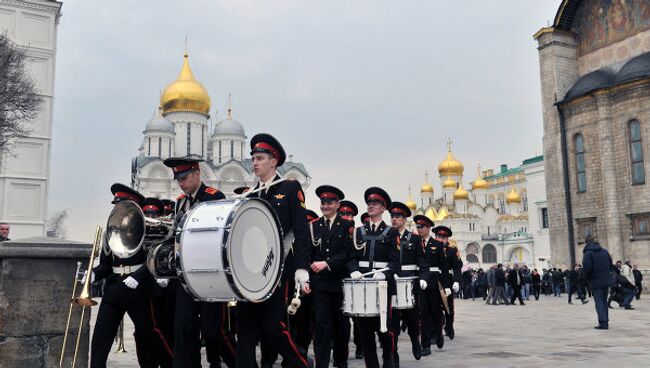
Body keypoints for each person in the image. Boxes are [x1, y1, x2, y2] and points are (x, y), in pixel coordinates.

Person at [237, 133, 312, 368]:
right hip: (249, 272)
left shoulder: (289, 188)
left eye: (260, 158)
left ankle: (301, 364)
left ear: (274, 161)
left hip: (277, 270)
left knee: (273, 328)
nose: (255, 163)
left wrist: (301, 267)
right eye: (253, 159)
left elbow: (301, 230)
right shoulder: (251, 194)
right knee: (246, 330)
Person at [163, 157, 234, 368]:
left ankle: (238, 362)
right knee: (183, 327)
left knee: (213, 331)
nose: (181, 183)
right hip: (186, 273)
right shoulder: (181, 202)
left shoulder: (214, 197)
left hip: (209, 273)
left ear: (196, 175)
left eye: (184, 178)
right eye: (178, 180)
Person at [89, 184, 161, 368]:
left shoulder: (148, 230)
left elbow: (152, 259)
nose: (116, 209)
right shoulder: (110, 233)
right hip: (115, 288)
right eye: (116, 206)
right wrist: (93, 274)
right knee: (100, 335)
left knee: (146, 334)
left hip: (139, 289)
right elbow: (106, 265)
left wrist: (138, 276)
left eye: (122, 205)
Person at [348, 187, 399, 368]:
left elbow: (395, 264)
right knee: (365, 331)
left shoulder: (392, 233)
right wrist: (353, 269)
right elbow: (351, 257)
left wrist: (383, 274)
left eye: (375, 204)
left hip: (383, 287)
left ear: (383, 208)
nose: (370, 206)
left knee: (385, 329)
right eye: (369, 203)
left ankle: (388, 357)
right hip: (362, 287)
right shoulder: (358, 232)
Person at [307, 185, 353, 368]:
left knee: (341, 327)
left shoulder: (347, 225)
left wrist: (327, 263)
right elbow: (308, 254)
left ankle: (341, 362)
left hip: (339, 285)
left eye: (329, 203)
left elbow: (348, 253)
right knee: (321, 328)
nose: (325, 206)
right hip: (319, 286)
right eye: (323, 203)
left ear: (337, 204)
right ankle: (322, 364)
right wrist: (307, 278)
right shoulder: (313, 226)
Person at [388, 201, 424, 365]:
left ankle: (415, 341)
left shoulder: (415, 239)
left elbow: (423, 262)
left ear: (404, 219)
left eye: (398, 217)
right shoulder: (387, 236)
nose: (394, 219)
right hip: (392, 283)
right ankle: (393, 353)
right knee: (393, 322)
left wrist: (423, 278)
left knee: (411, 318)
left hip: (409, 283)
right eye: (392, 216)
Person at [416, 215, 449, 355]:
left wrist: (446, 285)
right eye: (417, 227)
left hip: (434, 283)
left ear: (428, 228)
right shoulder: (414, 242)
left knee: (435, 311)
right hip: (420, 282)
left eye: (421, 227)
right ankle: (426, 344)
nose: (419, 229)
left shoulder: (438, 244)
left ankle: (439, 334)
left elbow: (444, 266)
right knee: (423, 314)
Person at [582, 234, 613, 330]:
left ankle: (603, 323)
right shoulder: (604, 251)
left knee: (599, 302)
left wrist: (586, 280)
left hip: (596, 281)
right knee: (604, 301)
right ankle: (605, 321)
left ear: (586, 242)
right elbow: (610, 264)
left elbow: (587, 269)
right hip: (606, 281)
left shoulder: (588, 253)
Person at [436, 226, 461, 339]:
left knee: (448, 306)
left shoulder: (452, 249)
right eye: (439, 237)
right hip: (435, 279)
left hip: (448, 279)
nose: (441, 239)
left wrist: (456, 281)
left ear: (447, 238)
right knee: (435, 306)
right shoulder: (431, 248)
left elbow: (457, 267)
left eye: (443, 237)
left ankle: (449, 327)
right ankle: (437, 328)